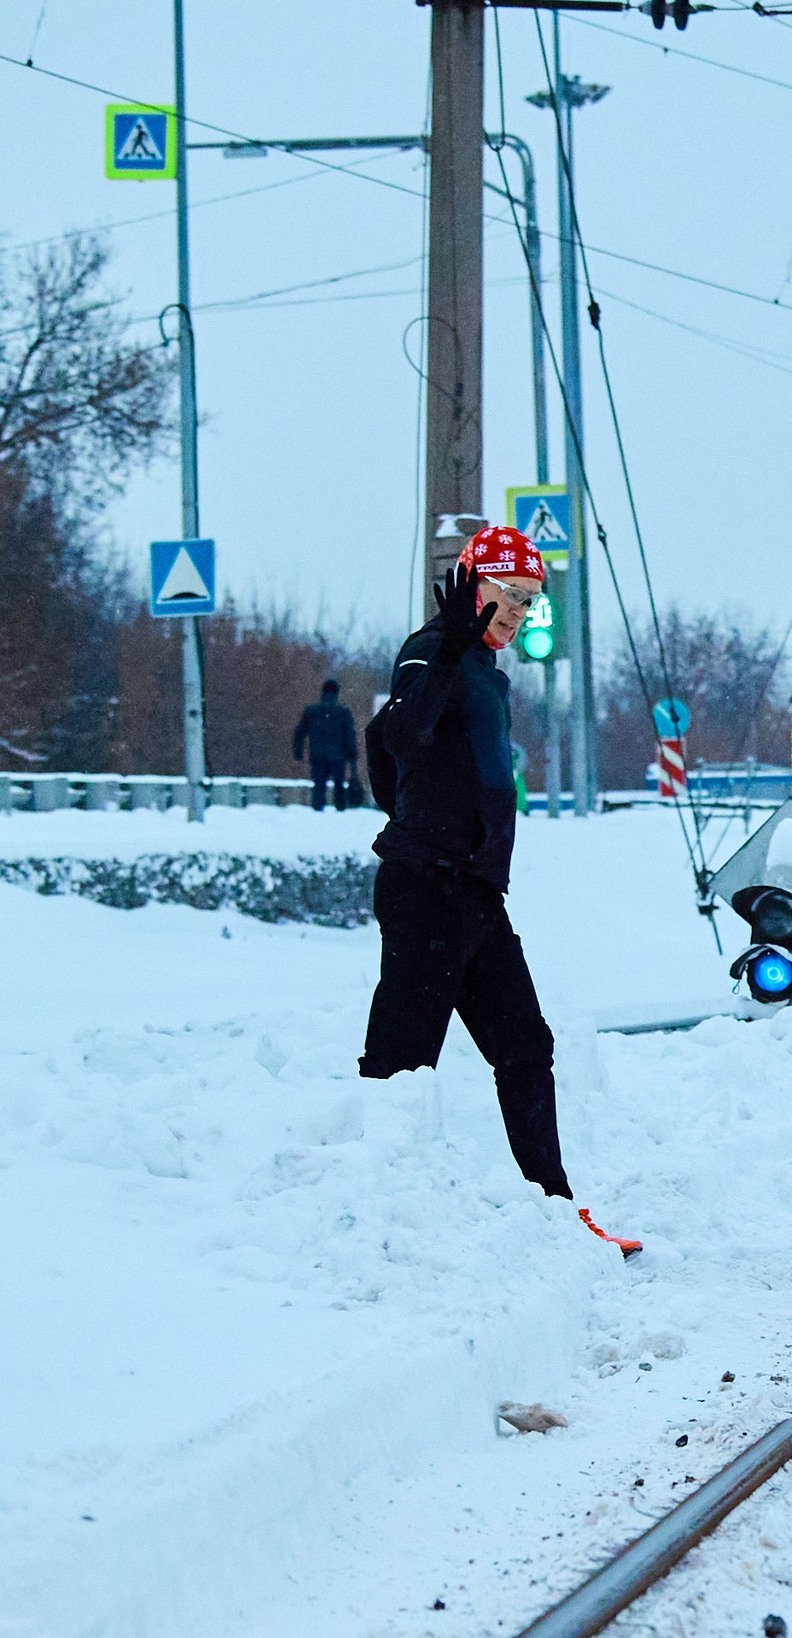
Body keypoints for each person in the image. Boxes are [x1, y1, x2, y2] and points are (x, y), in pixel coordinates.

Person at [358, 525, 632, 1252]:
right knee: (402, 1062)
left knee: (525, 1045)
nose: (517, 612)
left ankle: (555, 1211)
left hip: (474, 894)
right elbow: (399, 736)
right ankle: (377, 1226)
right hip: (427, 890)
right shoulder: (431, 650)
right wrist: (419, 830)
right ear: (472, 584)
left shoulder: (484, 667)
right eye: (507, 595)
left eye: (530, 601)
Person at [293, 680, 359, 811]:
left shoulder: (312, 712)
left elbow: (299, 733)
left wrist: (298, 753)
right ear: (337, 693)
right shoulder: (343, 713)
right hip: (338, 757)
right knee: (339, 785)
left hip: (317, 755)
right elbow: (350, 736)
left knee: (319, 785)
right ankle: (340, 809)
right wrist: (352, 758)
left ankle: (318, 810)